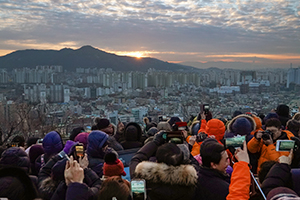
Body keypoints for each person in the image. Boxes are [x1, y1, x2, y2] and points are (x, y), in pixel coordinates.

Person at [130, 132, 198, 200]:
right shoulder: (192, 181)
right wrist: (187, 149)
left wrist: (155, 142)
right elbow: (196, 165)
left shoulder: (141, 177)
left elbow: (136, 158)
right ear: (182, 161)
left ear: (156, 161)